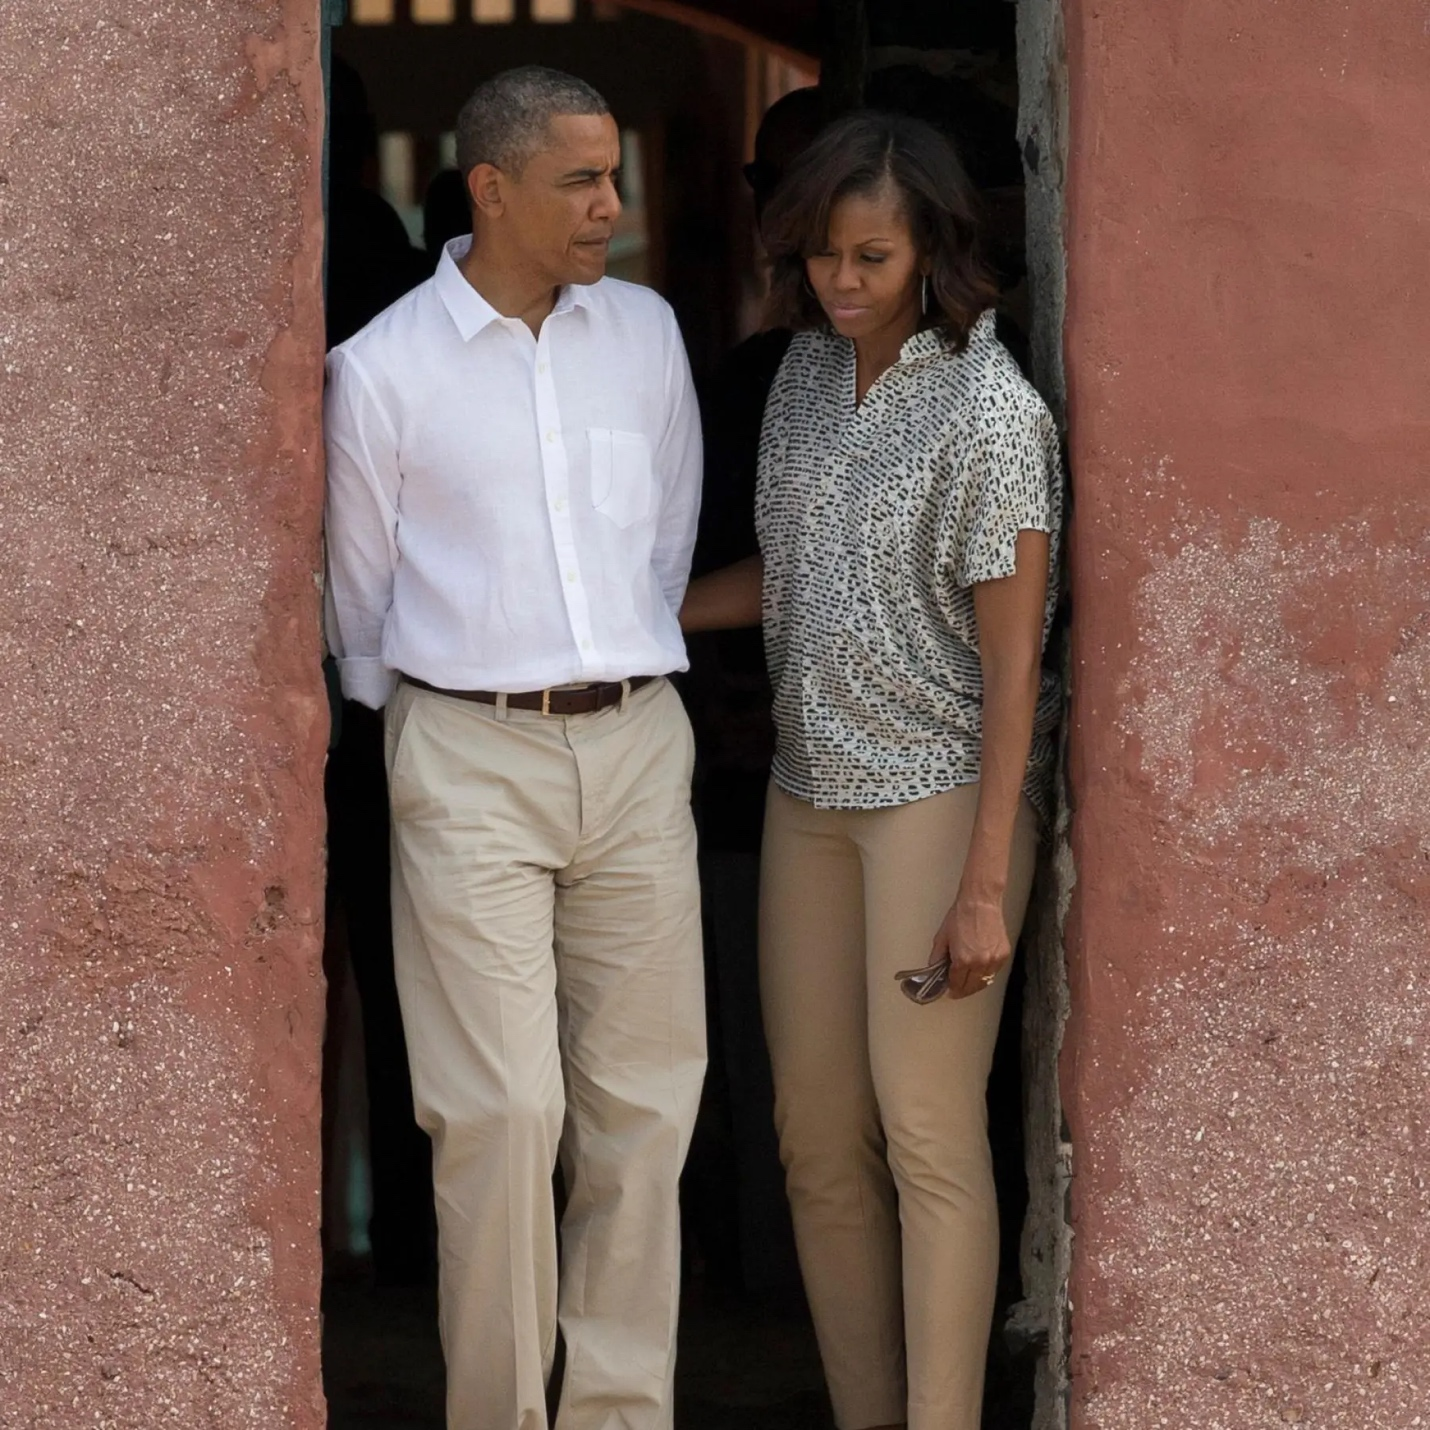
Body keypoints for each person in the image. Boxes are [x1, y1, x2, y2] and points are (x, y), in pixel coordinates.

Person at [323, 65, 706, 1430]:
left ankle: (617, 1413)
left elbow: (659, 548)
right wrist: (437, 716)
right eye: (580, 181)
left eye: (614, 176)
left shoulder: (647, 337)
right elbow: (357, 598)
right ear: (489, 190)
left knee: (646, 1111)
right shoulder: (378, 373)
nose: (612, 203)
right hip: (466, 752)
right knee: (499, 1116)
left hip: (637, 744)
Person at [680, 111, 1064, 1430]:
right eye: (824, 256)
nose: (843, 281)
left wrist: (981, 884)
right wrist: (612, 614)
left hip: (937, 792)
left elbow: (1015, 664)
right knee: (811, 1139)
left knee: (925, 1133)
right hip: (806, 797)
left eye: (871, 257)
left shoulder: (990, 410)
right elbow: (782, 583)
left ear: (931, 253)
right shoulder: (796, 377)